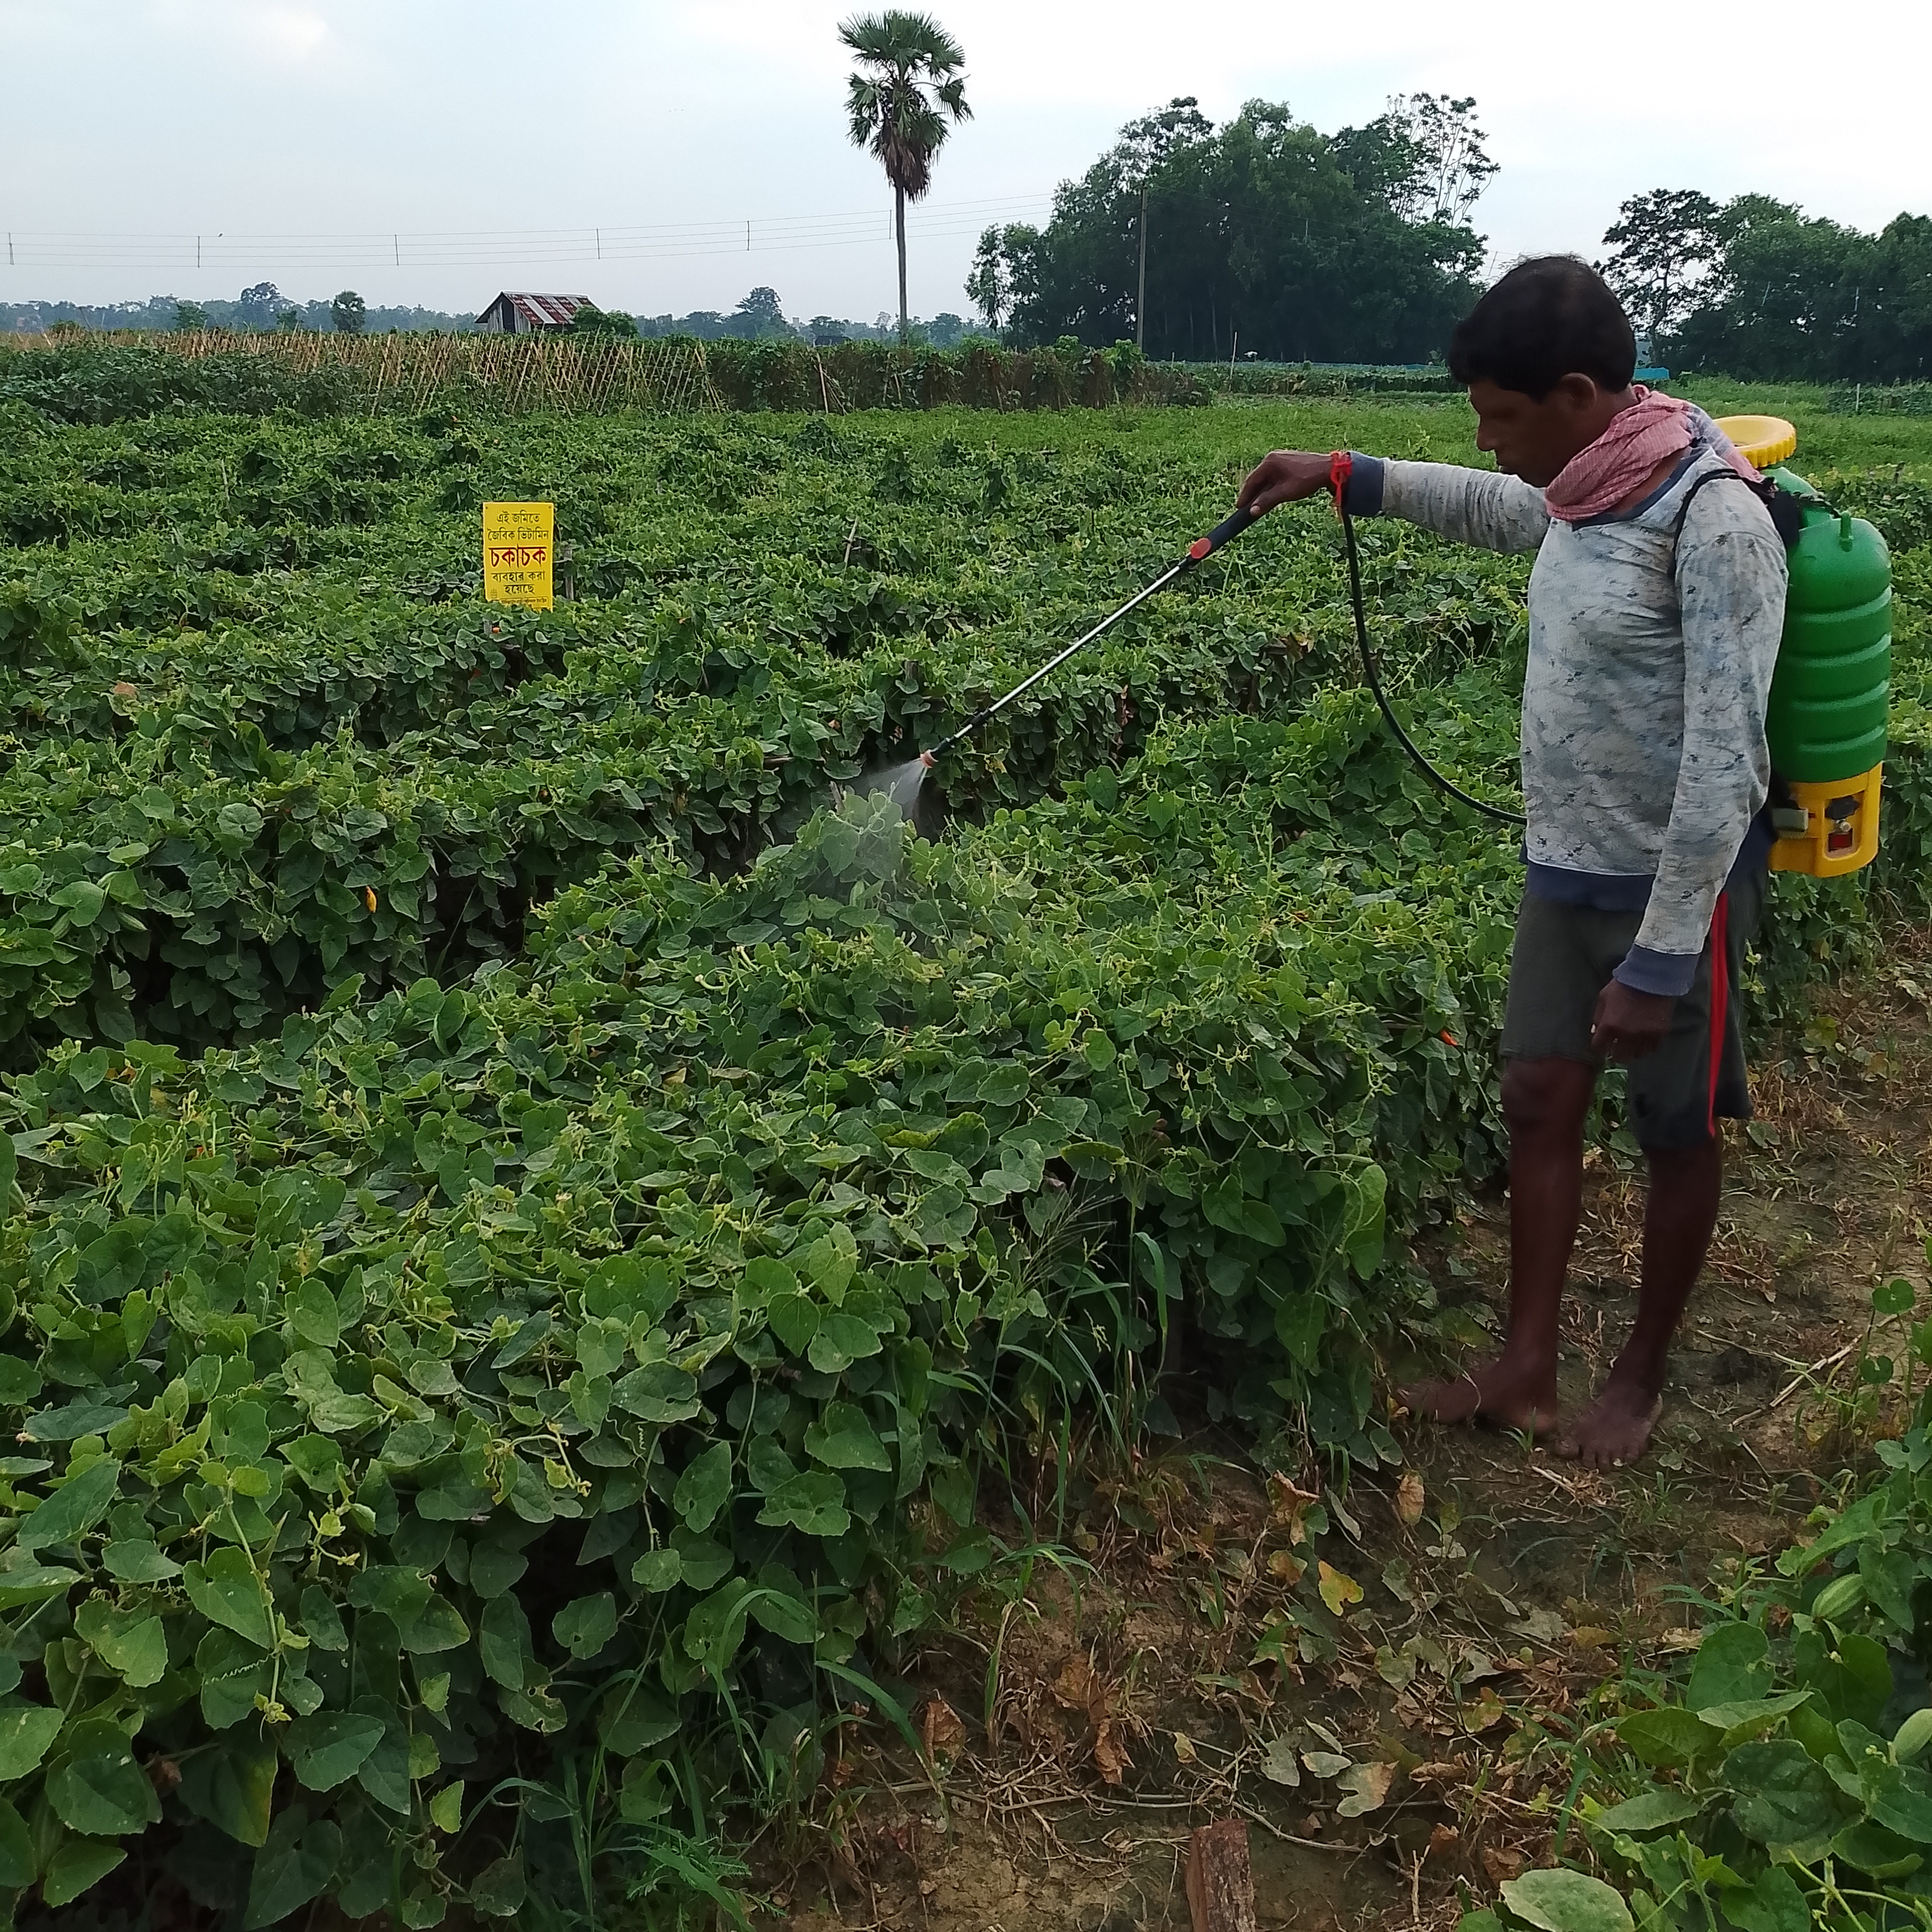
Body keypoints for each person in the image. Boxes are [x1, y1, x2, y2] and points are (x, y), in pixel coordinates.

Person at [1236, 256, 1788, 1469]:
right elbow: (1499, 509)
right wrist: (1345, 474)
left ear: (1578, 396)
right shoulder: (1584, 487)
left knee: (1674, 1130)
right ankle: (1525, 1370)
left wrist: (1659, 960)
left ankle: (1637, 1380)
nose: (1486, 441)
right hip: (1564, 867)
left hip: (1675, 891)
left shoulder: (1715, 522)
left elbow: (1727, 763)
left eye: (1500, 416)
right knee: (1538, 1098)